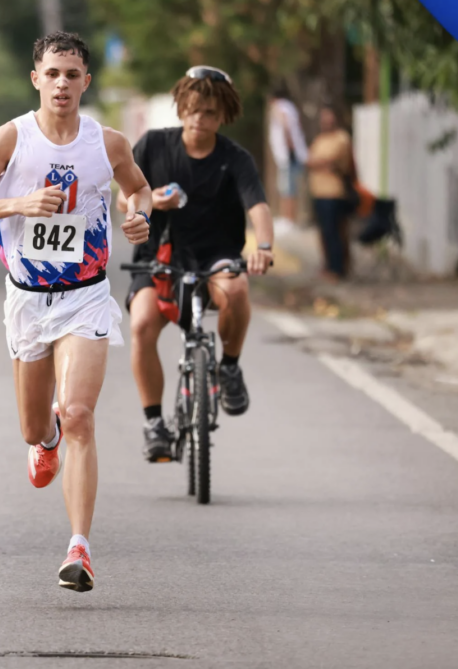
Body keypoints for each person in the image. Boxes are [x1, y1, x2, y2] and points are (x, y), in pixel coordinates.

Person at [0, 32, 152, 593]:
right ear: (35, 79)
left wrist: (138, 217)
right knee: (38, 425)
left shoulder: (107, 143)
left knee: (79, 412)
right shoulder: (11, 138)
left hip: (86, 293)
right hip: (27, 298)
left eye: (73, 74)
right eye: (53, 74)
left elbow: (139, 191)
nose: (62, 83)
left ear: (87, 81)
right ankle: (45, 441)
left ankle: (79, 548)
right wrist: (17, 202)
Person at [119, 66, 274, 463]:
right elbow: (124, 199)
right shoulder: (153, 146)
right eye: (191, 110)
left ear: (223, 114)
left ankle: (231, 367)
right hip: (159, 257)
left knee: (236, 288)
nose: (198, 119)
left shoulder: (235, 158)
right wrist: (153, 199)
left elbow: (257, 205)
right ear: (180, 109)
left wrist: (265, 246)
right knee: (140, 324)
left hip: (216, 255)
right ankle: (154, 422)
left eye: (207, 112)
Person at [307, 104, 355, 281]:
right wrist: (319, 163)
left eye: (329, 117)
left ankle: (338, 268)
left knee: (336, 232)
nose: (326, 121)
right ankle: (327, 265)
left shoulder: (342, 139)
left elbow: (332, 160)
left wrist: (319, 162)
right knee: (324, 233)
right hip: (318, 192)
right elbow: (309, 160)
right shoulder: (320, 140)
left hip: (334, 193)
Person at [268, 84, 308, 230]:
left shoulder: (279, 107)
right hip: (294, 152)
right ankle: (290, 218)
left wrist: (288, 143)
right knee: (291, 186)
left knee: (287, 187)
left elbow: (285, 125)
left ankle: (288, 219)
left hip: (288, 153)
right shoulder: (290, 107)